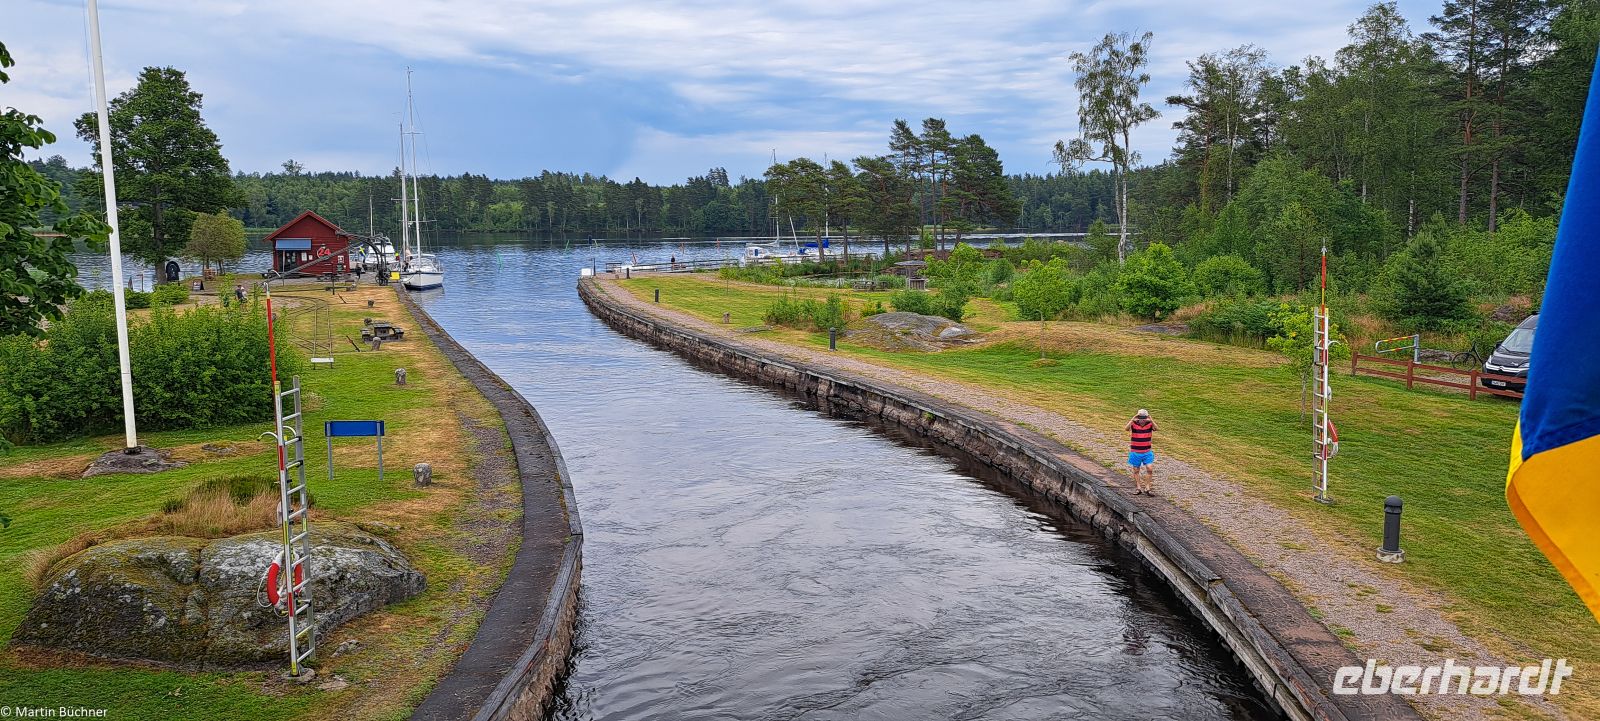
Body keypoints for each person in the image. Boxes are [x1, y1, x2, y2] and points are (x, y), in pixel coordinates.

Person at [1125, 409, 1158, 495]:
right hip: (1135, 451)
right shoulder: (1134, 423)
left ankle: (1147, 488)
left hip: (1147, 451)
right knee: (1136, 470)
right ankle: (1138, 488)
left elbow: (1157, 428)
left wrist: (1151, 419)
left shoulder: (1150, 424)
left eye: (1144, 418)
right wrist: (1133, 419)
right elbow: (1126, 428)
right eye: (1140, 418)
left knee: (1150, 469)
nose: (1142, 420)